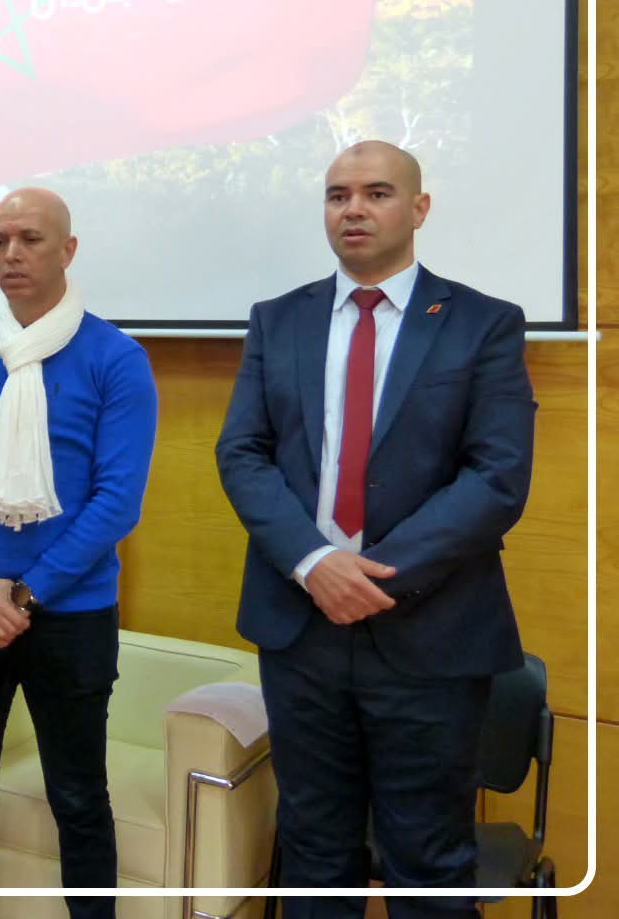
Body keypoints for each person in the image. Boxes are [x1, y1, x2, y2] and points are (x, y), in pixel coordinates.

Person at [215, 140, 536, 917]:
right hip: (301, 628)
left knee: (428, 859)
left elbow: (497, 476)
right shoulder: (277, 320)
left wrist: (373, 575)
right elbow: (242, 452)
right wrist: (314, 561)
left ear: (418, 208)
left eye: (377, 193)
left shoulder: (483, 324)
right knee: (312, 849)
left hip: (431, 631)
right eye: (338, 195)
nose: (353, 209)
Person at [0, 187, 158, 919]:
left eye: (29, 239)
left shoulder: (116, 360)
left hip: (71, 616)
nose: (11, 254)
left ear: (68, 250)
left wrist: (23, 596)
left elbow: (117, 502)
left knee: (78, 796)